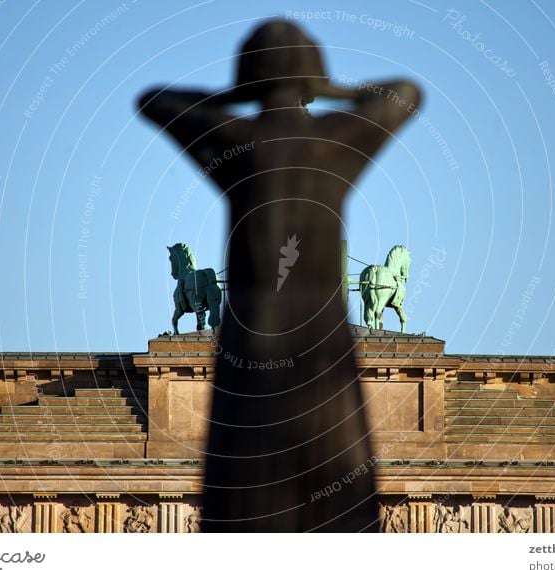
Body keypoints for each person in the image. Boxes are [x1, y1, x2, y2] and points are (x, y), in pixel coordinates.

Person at [138, 19, 421, 532]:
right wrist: (335, 90)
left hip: (249, 356)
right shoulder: (333, 143)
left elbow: (155, 100)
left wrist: (233, 98)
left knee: (242, 512)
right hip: (324, 355)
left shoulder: (238, 141)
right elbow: (407, 93)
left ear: (250, 82)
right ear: (312, 81)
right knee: (343, 516)